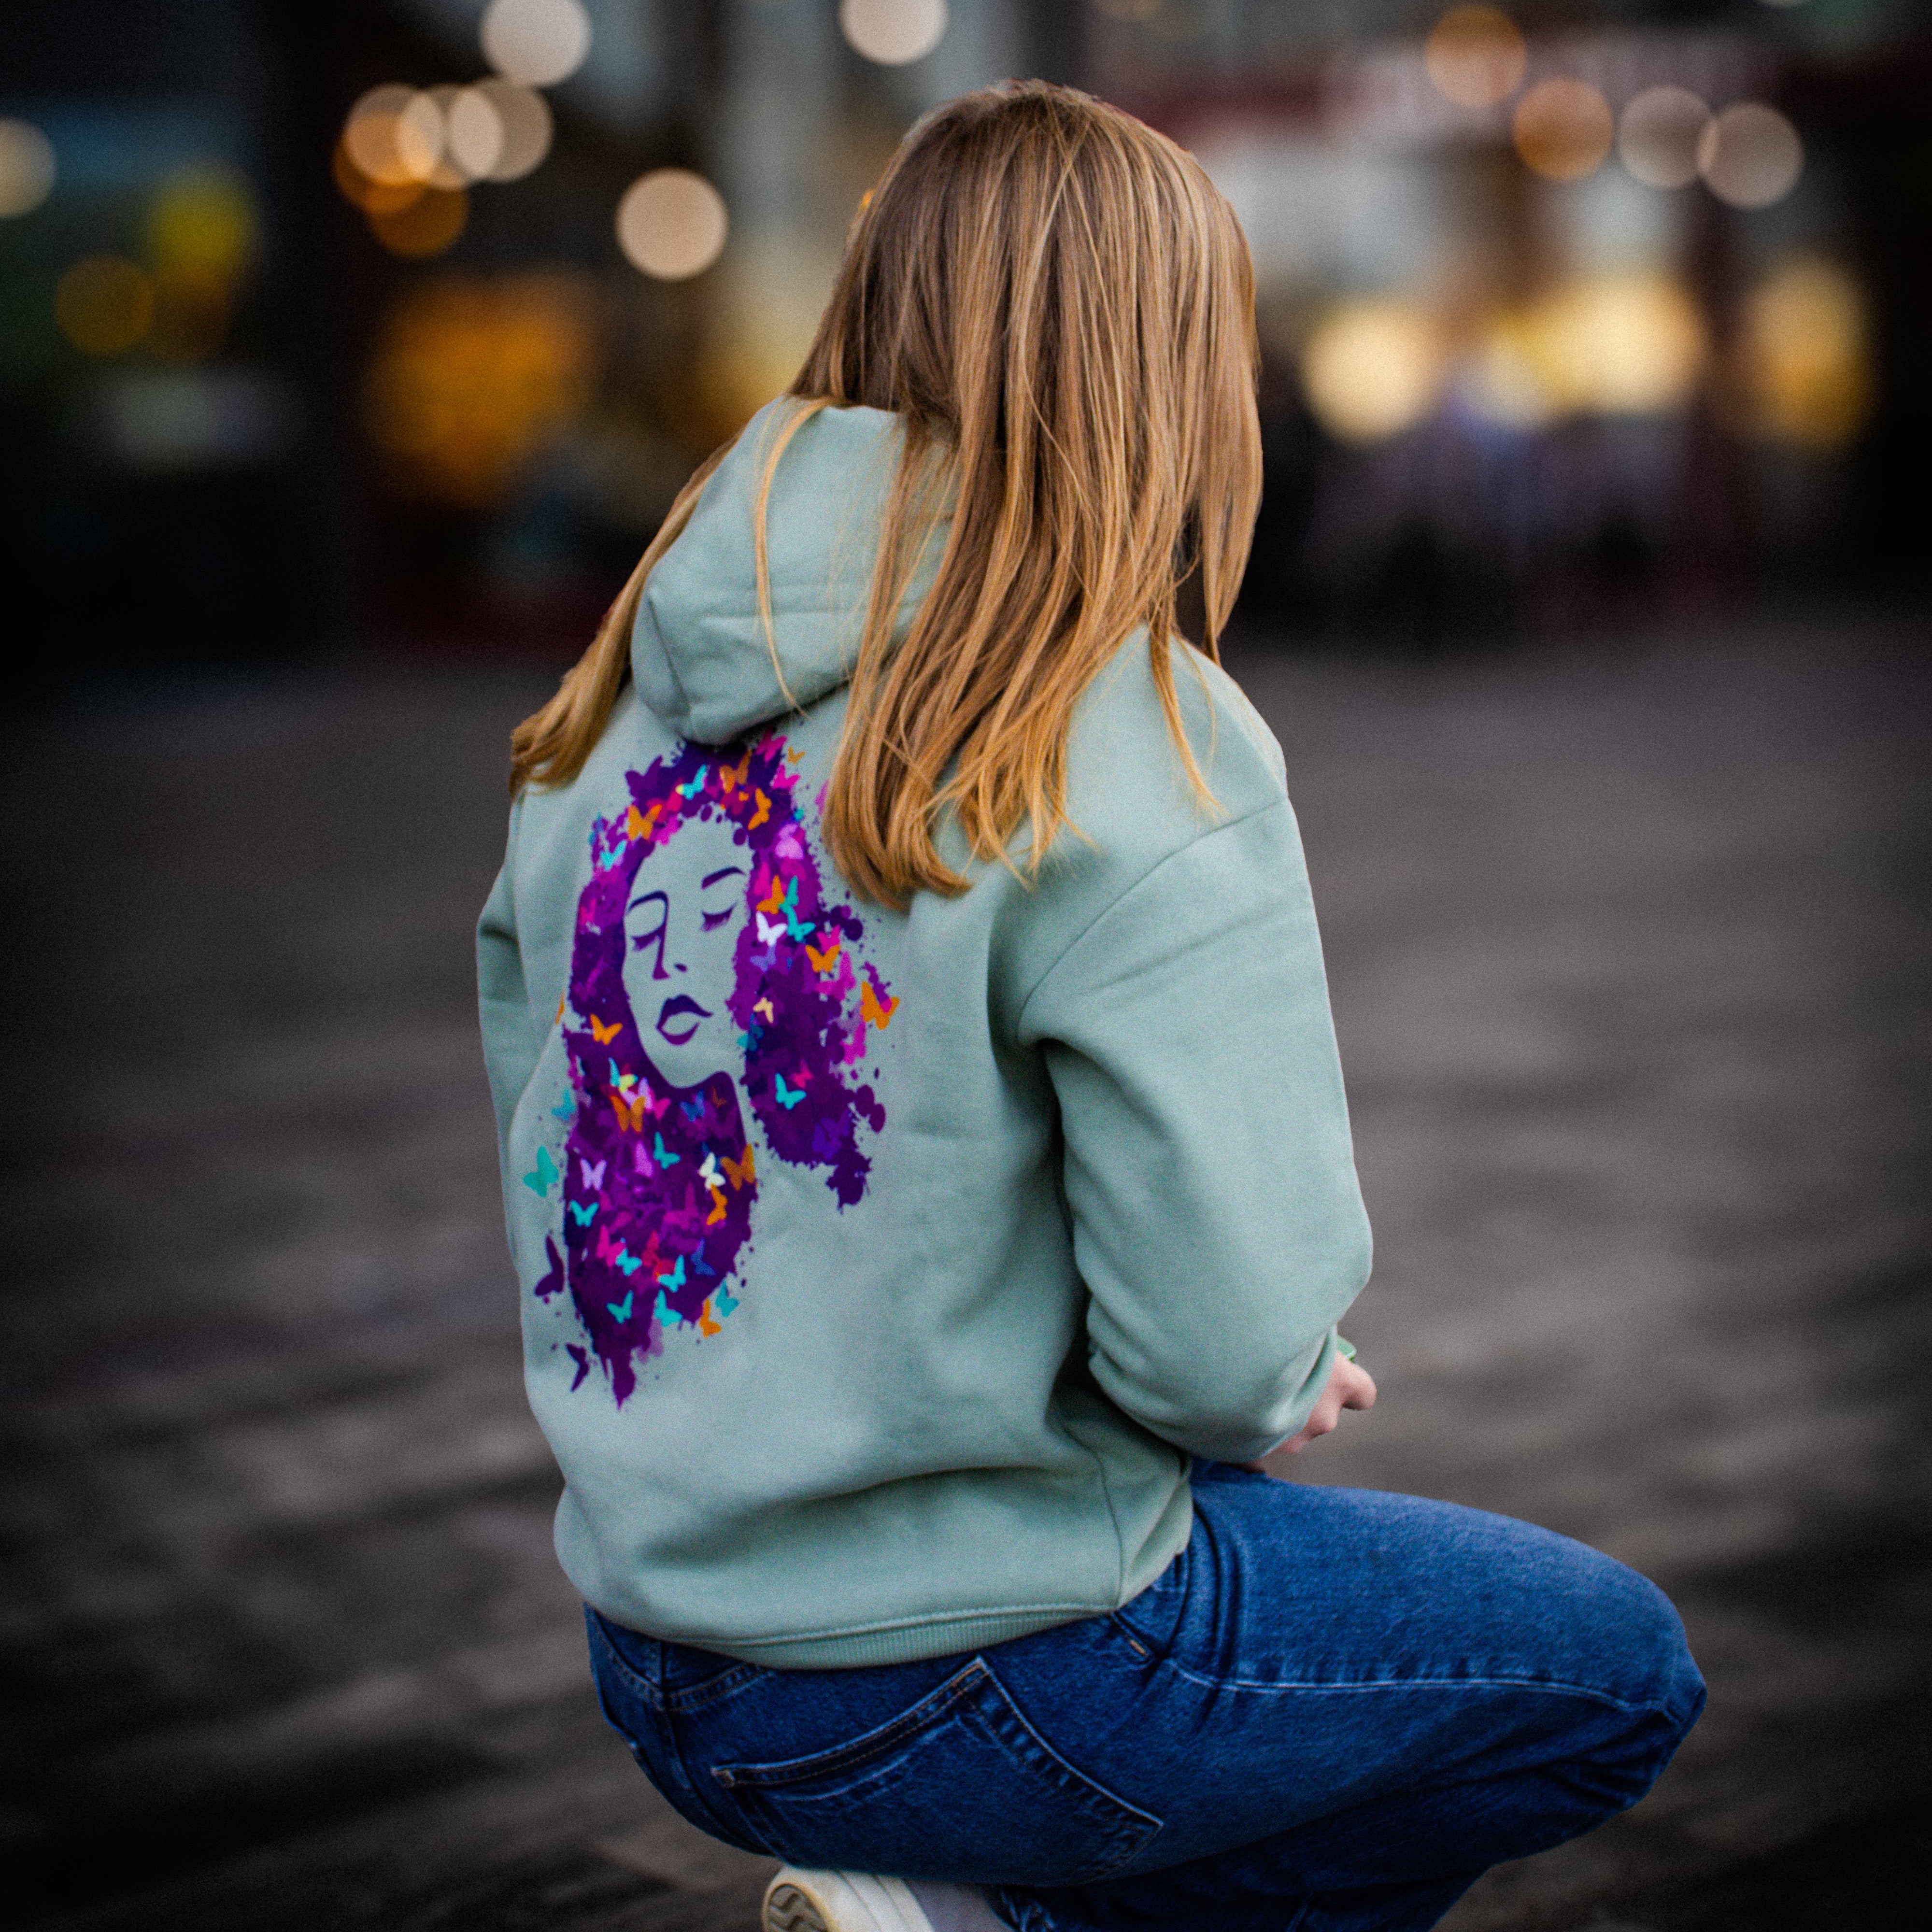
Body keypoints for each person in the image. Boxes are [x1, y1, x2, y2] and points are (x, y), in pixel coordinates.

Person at [477, 81, 1703, 1932]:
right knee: (1612, 1678)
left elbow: (565, 1151)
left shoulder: (605, 714)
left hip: (654, 1649)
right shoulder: (1122, 734)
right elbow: (1219, 1355)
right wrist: (1280, 1374)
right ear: (1163, 372)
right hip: (964, 1670)